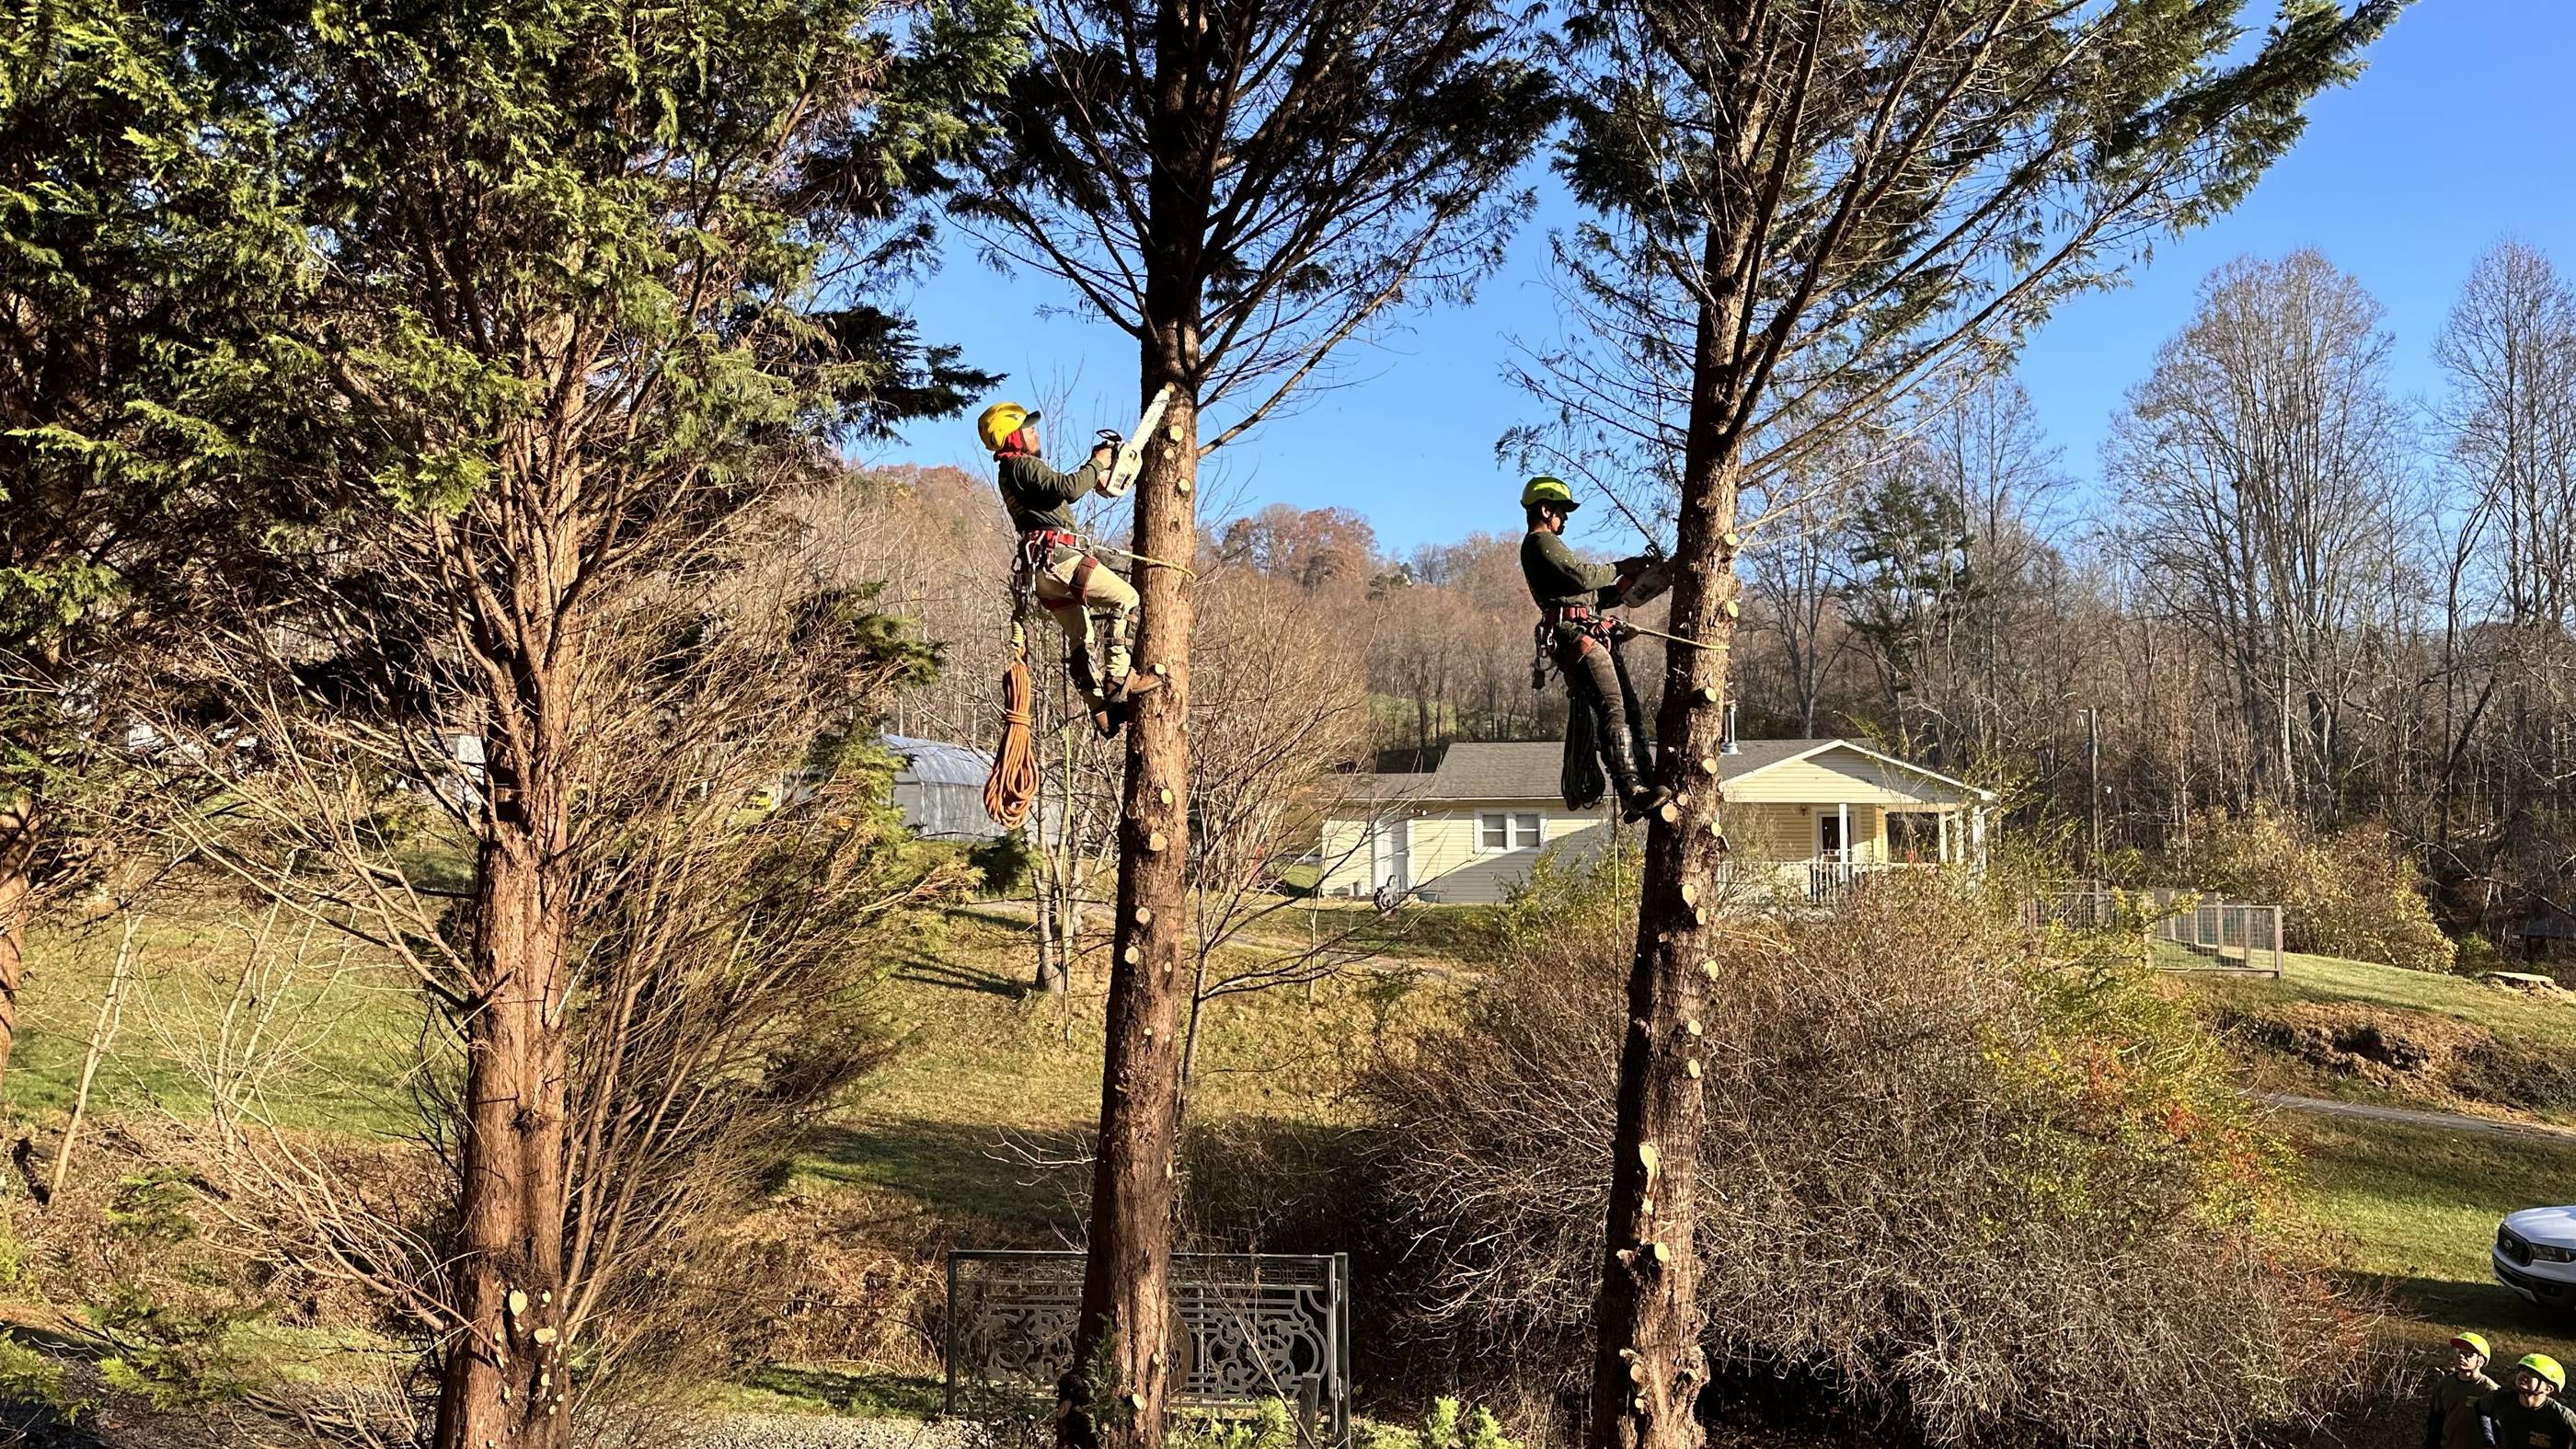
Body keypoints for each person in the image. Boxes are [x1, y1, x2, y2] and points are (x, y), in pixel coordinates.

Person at [977, 400, 1159, 731]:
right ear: (1013, 438)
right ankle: (1118, 679)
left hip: (1041, 570)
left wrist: (1096, 475)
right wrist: (1098, 462)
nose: (1034, 433)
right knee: (1127, 598)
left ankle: (1101, 709)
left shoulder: (1012, 474)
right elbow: (1069, 488)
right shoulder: (1022, 466)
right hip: (1059, 558)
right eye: (1027, 429)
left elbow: (1059, 492)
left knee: (1081, 636)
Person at [1519, 476, 1673, 822]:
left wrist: (1629, 585)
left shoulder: (1550, 548)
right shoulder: (1539, 543)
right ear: (1545, 509)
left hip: (1586, 630)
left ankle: (1647, 783)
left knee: (1629, 709)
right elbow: (1582, 576)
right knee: (1613, 708)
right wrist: (1621, 566)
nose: (1565, 519)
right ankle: (1631, 789)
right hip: (1574, 636)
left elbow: (1591, 595)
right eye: (1562, 512)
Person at [2482, 1353, 2576, 1449]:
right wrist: (2489, 1439)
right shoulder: (2500, 1399)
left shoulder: (2563, 1417)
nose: (2524, 1374)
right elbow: (2480, 1408)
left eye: (2532, 1373)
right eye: (2522, 1370)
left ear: (2548, 1389)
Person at [2428, 1333, 2498, 1449]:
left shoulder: (2490, 1390)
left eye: (2468, 1354)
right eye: (2458, 1351)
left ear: (2480, 1361)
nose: (2461, 1357)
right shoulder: (2445, 1384)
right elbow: (2435, 1421)